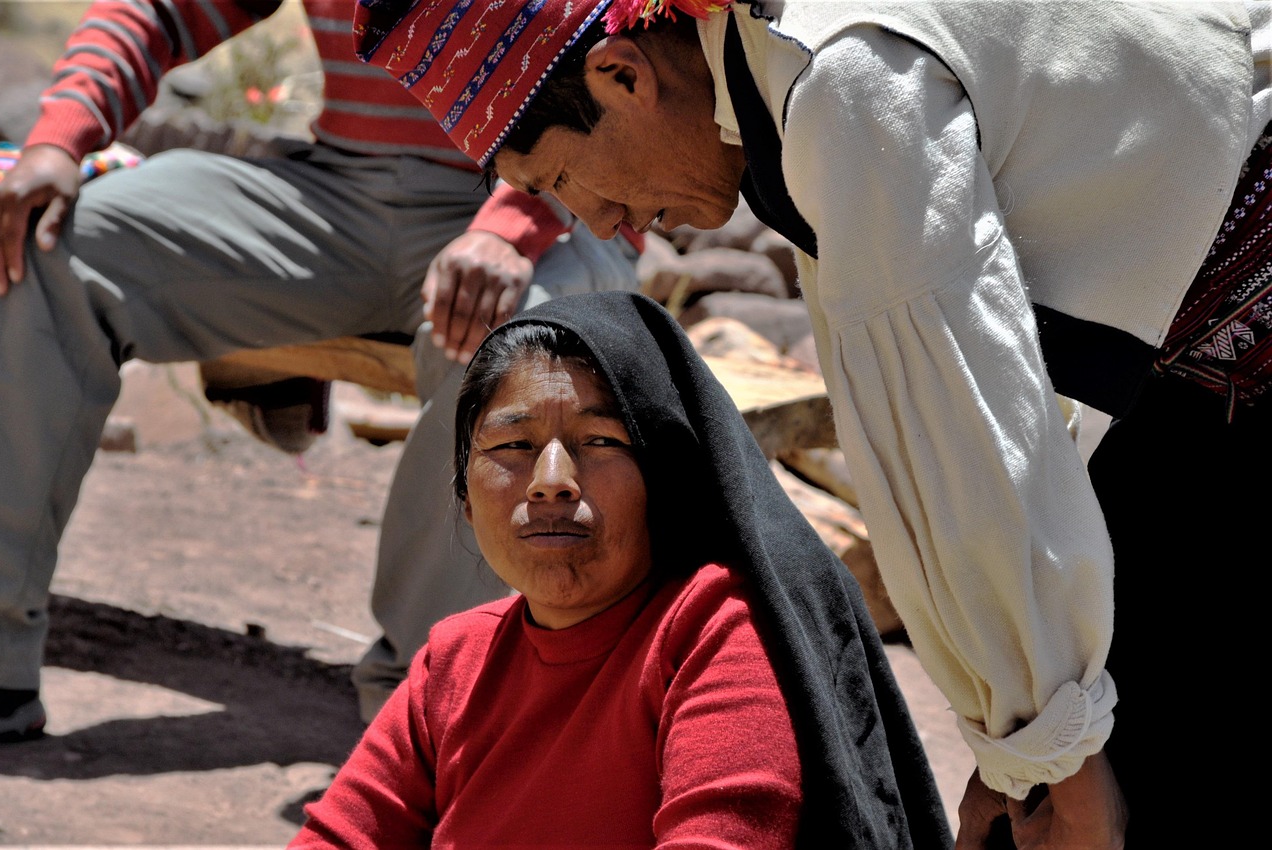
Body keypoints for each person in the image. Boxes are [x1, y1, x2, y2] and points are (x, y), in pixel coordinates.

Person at [352, 1, 1272, 847]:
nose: (602, 221)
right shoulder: (781, 96)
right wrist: (1019, 728)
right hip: (1191, 366)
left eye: (559, 176)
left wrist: (1046, 743)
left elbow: (965, 431)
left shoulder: (838, 81)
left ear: (623, 76)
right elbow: (927, 426)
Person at [0, 0, 643, 744]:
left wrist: (513, 224)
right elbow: (158, 12)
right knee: (50, 246)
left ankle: (427, 713)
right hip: (340, 189)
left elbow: (627, 67)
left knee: (519, 347)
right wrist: (57, 140)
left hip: (551, 200)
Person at [288, 289, 953, 849]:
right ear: (464, 494)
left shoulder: (715, 632)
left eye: (601, 442)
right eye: (513, 445)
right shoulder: (453, 663)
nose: (550, 482)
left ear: (667, 478)